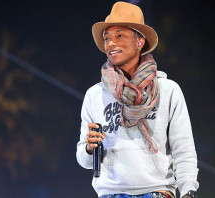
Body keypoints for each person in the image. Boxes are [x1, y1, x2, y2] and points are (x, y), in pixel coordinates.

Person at [76, 2, 199, 198]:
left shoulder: (167, 90)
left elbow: (183, 149)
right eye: (107, 38)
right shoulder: (94, 95)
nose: (111, 44)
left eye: (120, 36)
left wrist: (188, 191)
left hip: (158, 191)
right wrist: (89, 149)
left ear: (139, 42)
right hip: (111, 193)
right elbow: (83, 159)